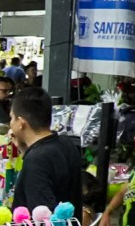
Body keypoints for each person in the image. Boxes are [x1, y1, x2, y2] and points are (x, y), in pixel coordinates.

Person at [10, 86, 82, 215]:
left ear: (21, 122)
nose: (10, 123)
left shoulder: (36, 159)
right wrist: (25, 151)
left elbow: (43, 219)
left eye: (12, 118)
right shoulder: (66, 143)